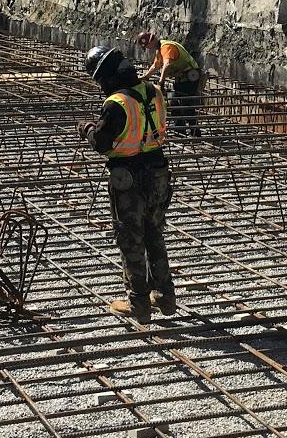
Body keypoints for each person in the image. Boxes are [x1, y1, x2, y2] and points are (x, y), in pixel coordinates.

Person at [78, 46, 175, 324]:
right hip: (157, 172)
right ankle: (165, 296)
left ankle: (138, 304)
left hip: (129, 178)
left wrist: (87, 130)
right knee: (154, 232)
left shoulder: (117, 103)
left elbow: (102, 142)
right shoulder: (153, 91)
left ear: (107, 76)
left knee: (131, 238)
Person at [136, 32, 205, 140]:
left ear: (151, 41)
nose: (148, 48)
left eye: (147, 46)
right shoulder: (160, 50)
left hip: (189, 78)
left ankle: (195, 133)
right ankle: (179, 130)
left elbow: (167, 65)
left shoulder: (166, 47)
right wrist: (146, 76)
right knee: (174, 102)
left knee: (186, 106)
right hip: (181, 79)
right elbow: (157, 65)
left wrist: (161, 82)